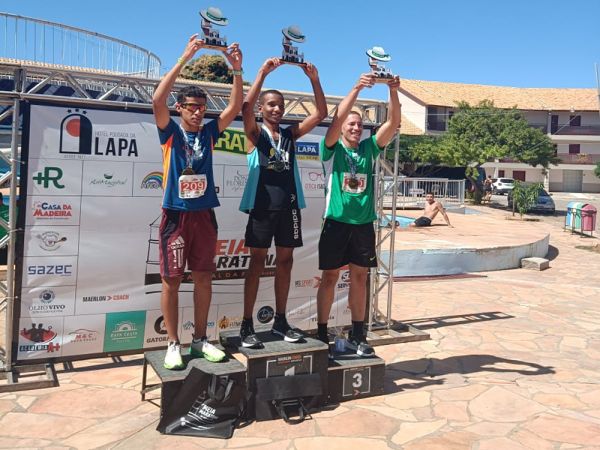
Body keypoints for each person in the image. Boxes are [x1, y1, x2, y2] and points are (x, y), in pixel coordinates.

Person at [152, 34, 243, 369]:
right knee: (171, 280)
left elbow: (234, 106)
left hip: (204, 214)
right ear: (181, 109)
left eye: (202, 108)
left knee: (203, 277)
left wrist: (237, 69)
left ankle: (201, 340)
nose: (198, 113)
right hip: (176, 215)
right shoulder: (170, 132)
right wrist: (185, 57)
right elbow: (157, 100)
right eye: (192, 108)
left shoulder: (208, 133)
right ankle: (173, 343)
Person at [238, 58, 327, 348]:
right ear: (263, 108)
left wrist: (313, 79)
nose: (277, 109)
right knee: (257, 263)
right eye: (272, 104)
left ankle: (280, 320)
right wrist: (262, 72)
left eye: (281, 105)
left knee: (285, 263)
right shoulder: (255, 136)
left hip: (289, 207)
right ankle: (246, 324)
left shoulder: (290, 135)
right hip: (262, 207)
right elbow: (245, 108)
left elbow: (322, 113)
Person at [315, 73, 401, 357]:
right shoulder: (331, 149)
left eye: (359, 125)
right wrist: (356, 88)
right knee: (329, 278)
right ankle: (321, 334)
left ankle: (358, 334)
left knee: (360, 279)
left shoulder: (368, 148)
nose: (355, 128)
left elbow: (393, 123)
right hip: (336, 223)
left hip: (363, 224)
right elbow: (336, 119)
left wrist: (392, 91)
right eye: (351, 124)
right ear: (342, 128)